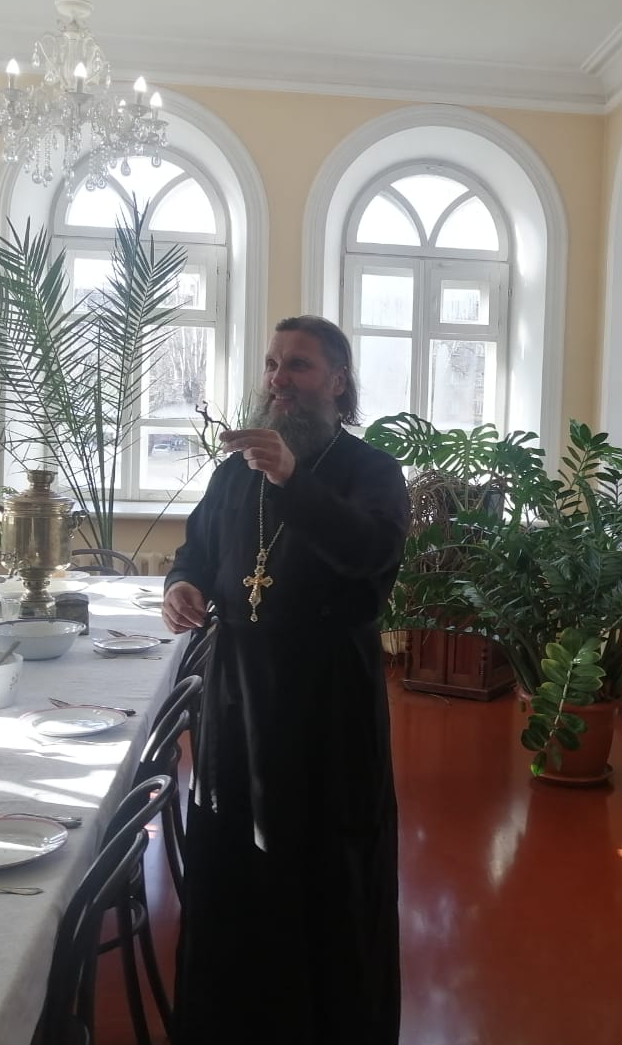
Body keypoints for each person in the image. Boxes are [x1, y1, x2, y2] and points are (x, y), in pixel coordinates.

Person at [164, 315, 410, 1044]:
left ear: (338, 381)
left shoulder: (372, 471)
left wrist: (293, 479)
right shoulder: (234, 470)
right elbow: (197, 549)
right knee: (233, 864)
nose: (279, 380)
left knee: (324, 868)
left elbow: (369, 555)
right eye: (273, 364)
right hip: (236, 698)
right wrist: (181, 585)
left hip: (326, 704)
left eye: (298, 366)